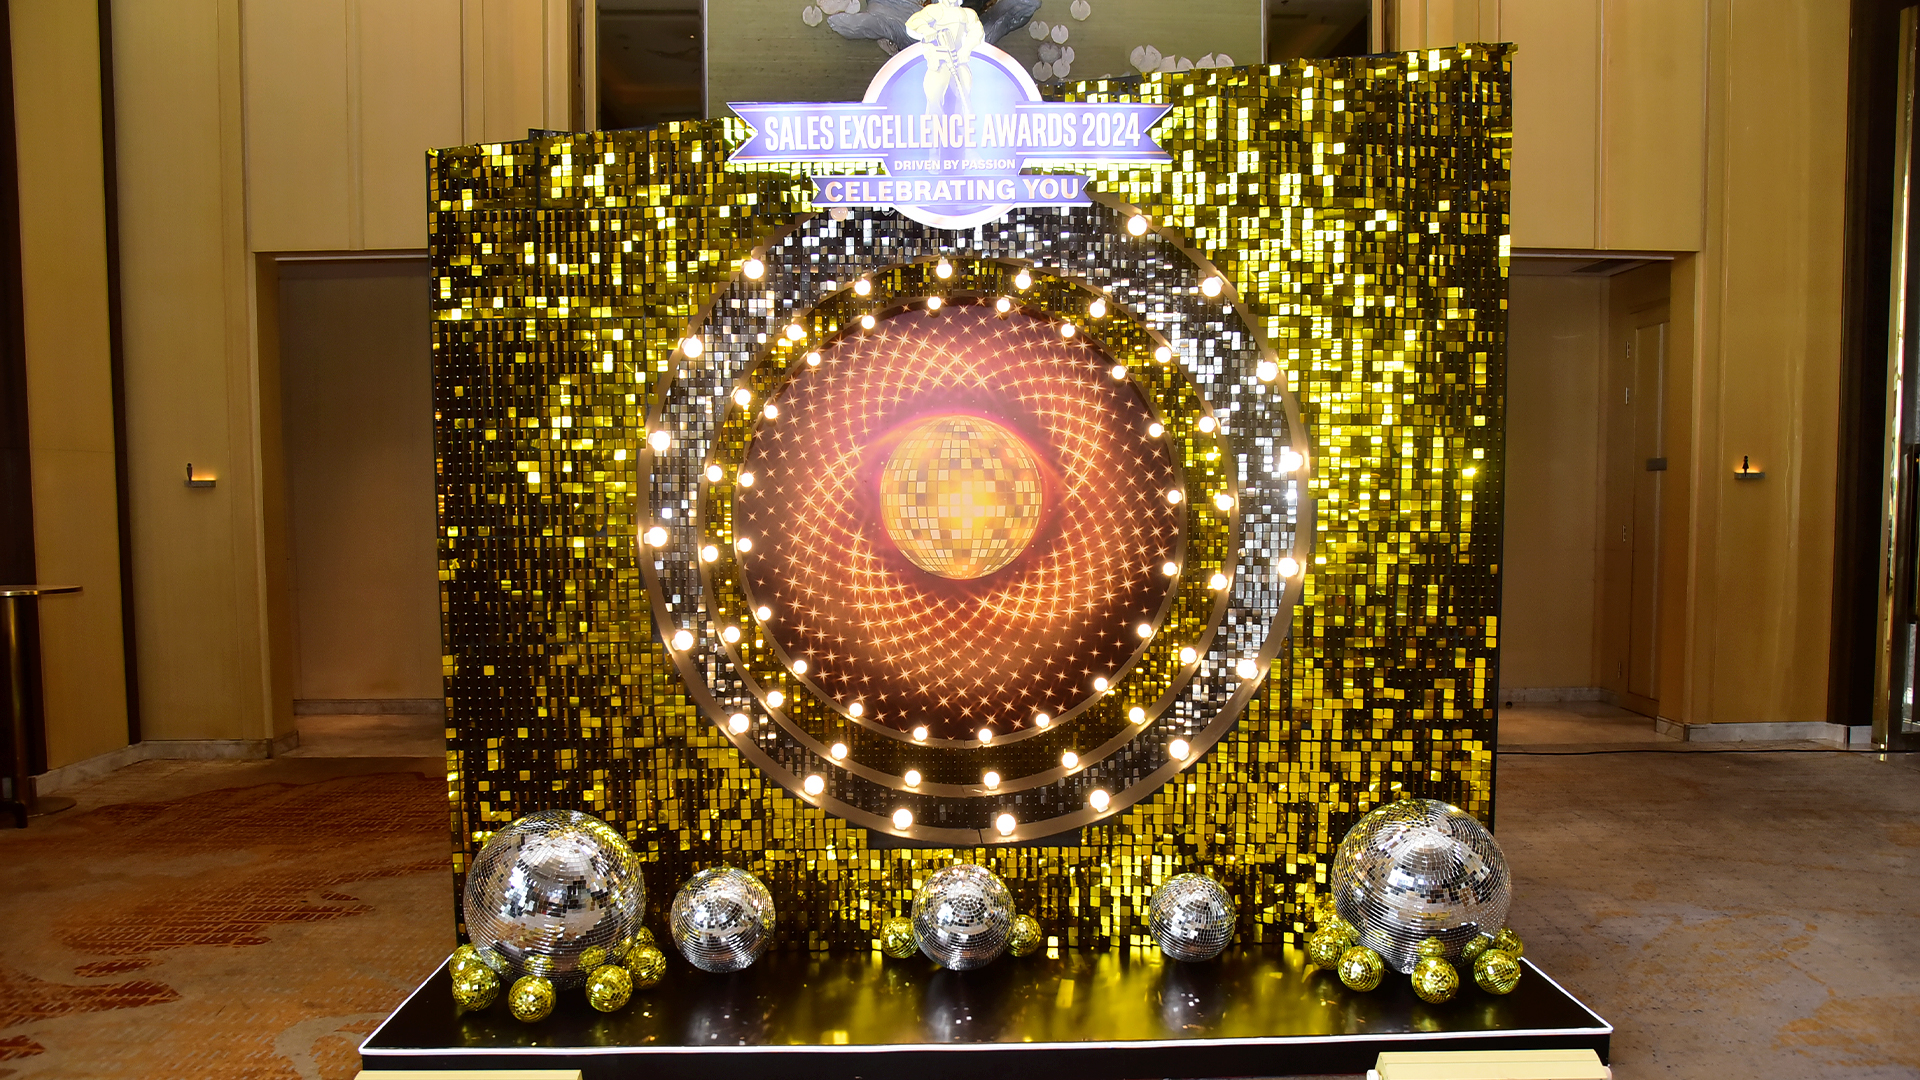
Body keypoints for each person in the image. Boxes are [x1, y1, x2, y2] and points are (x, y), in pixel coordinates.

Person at [905, 0, 985, 118]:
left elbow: (977, 31)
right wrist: (926, 30)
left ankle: (962, 125)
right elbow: (914, 21)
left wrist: (966, 49)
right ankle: (934, 126)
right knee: (934, 97)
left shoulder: (967, 13)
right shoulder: (934, 10)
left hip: (958, 61)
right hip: (938, 63)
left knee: (964, 96)